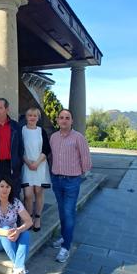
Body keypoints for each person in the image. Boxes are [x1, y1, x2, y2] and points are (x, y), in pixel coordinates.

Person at [50, 109, 92, 263]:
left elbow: (85, 157)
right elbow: (51, 156)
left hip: (71, 181)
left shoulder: (78, 138)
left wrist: (81, 173)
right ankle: (64, 237)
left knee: (68, 212)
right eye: (61, 118)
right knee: (62, 211)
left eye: (67, 118)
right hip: (57, 179)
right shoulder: (53, 137)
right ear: (57, 120)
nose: (64, 120)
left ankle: (65, 247)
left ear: (72, 121)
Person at [21, 108, 51, 232]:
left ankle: (37, 218)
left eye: (35, 115)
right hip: (26, 165)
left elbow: (46, 149)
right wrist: (28, 163)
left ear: (38, 118)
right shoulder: (21, 130)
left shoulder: (41, 131)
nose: (32, 117)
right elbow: (19, 148)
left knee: (38, 192)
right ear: (26, 117)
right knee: (28, 194)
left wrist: (37, 163)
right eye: (30, 115)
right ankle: (28, 219)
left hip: (40, 165)